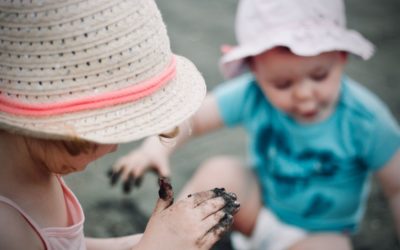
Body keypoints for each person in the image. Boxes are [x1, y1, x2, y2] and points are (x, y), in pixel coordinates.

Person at [111, 0, 400, 249]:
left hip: (319, 232)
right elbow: (194, 117)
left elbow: (397, 185)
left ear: (341, 57)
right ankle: (178, 236)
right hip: (256, 210)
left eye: (319, 76)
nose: (303, 93)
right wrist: (155, 149)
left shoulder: (365, 120)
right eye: (282, 84)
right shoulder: (253, 94)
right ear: (255, 72)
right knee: (221, 171)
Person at [0, 0, 240, 249]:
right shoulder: (6, 229)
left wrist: (135, 244)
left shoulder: (37, 165)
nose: (115, 147)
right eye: (109, 131)